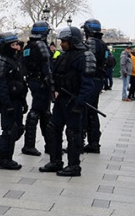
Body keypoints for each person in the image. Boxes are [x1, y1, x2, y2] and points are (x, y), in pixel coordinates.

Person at [39, 26, 95, 177]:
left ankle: (74, 165)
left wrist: (79, 103)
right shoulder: (63, 56)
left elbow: (88, 84)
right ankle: (56, 161)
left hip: (74, 101)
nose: (62, 44)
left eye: (64, 41)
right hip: (61, 100)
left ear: (73, 41)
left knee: (73, 133)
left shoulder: (85, 56)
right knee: (53, 129)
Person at [0, 32, 27, 170]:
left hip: (16, 100)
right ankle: (5, 159)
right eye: (13, 45)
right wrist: (7, 104)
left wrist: (23, 100)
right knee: (10, 130)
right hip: (8, 101)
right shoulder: (0, 61)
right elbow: (0, 86)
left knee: (19, 129)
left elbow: (20, 81)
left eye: (17, 44)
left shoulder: (14, 60)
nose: (16, 47)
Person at [21, 21, 53, 156]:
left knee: (44, 112)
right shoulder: (41, 45)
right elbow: (47, 66)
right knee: (39, 111)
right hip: (42, 82)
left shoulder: (28, 47)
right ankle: (29, 145)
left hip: (33, 80)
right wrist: (51, 84)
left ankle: (50, 144)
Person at [82, 18, 108, 153]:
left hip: (91, 80)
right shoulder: (103, 44)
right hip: (99, 79)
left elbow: (88, 60)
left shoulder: (91, 42)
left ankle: (83, 141)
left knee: (85, 110)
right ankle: (94, 141)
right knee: (92, 111)